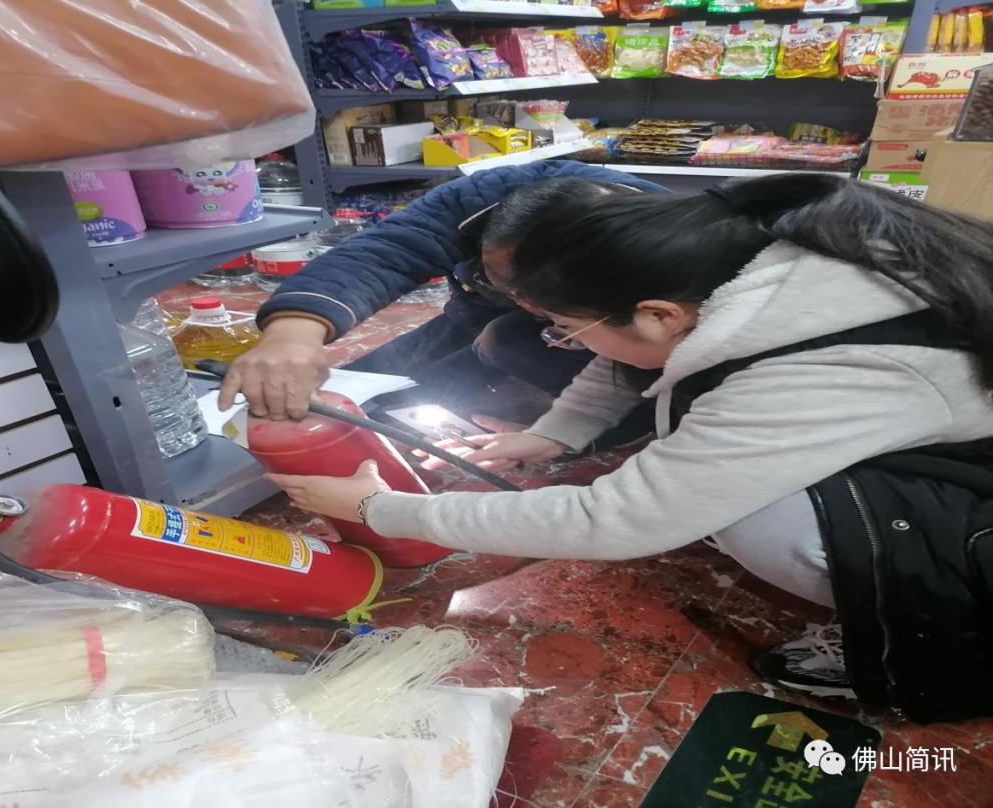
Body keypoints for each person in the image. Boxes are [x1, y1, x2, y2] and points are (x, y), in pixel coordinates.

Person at [267, 174, 993, 723]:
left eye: (562, 327)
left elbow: (617, 519)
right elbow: (628, 354)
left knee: (758, 517)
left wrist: (384, 509)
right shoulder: (751, 261)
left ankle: (944, 629)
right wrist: (552, 434)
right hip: (950, 444)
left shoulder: (823, 364)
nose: (558, 340)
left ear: (658, 313)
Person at [219, 161, 666, 450]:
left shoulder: (674, 258)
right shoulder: (488, 197)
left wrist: (567, 436)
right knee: (360, 399)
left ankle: (630, 417)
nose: (528, 306)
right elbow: (390, 250)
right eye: (509, 287)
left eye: (546, 306)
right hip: (476, 317)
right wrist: (293, 334)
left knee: (507, 340)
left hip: (610, 346)